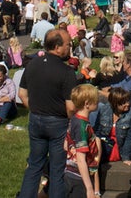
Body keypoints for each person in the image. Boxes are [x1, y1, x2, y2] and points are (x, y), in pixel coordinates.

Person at [17, 28, 79, 198]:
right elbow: (71, 107)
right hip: (58, 122)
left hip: (36, 119)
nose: (69, 47)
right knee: (57, 171)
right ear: (58, 47)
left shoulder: (32, 64)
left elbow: (22, 94)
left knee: (34, 166)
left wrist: (36, 109)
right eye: (68, 44)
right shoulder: (67, 72)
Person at [65, 84, 101, 198]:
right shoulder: (83, 126)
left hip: (69, 172)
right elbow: (81, 160)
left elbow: (65, 145)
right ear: (87, 104)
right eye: (95, 100)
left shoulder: (74, 119)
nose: (98, 102)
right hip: (80, 177)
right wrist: (90, 189)